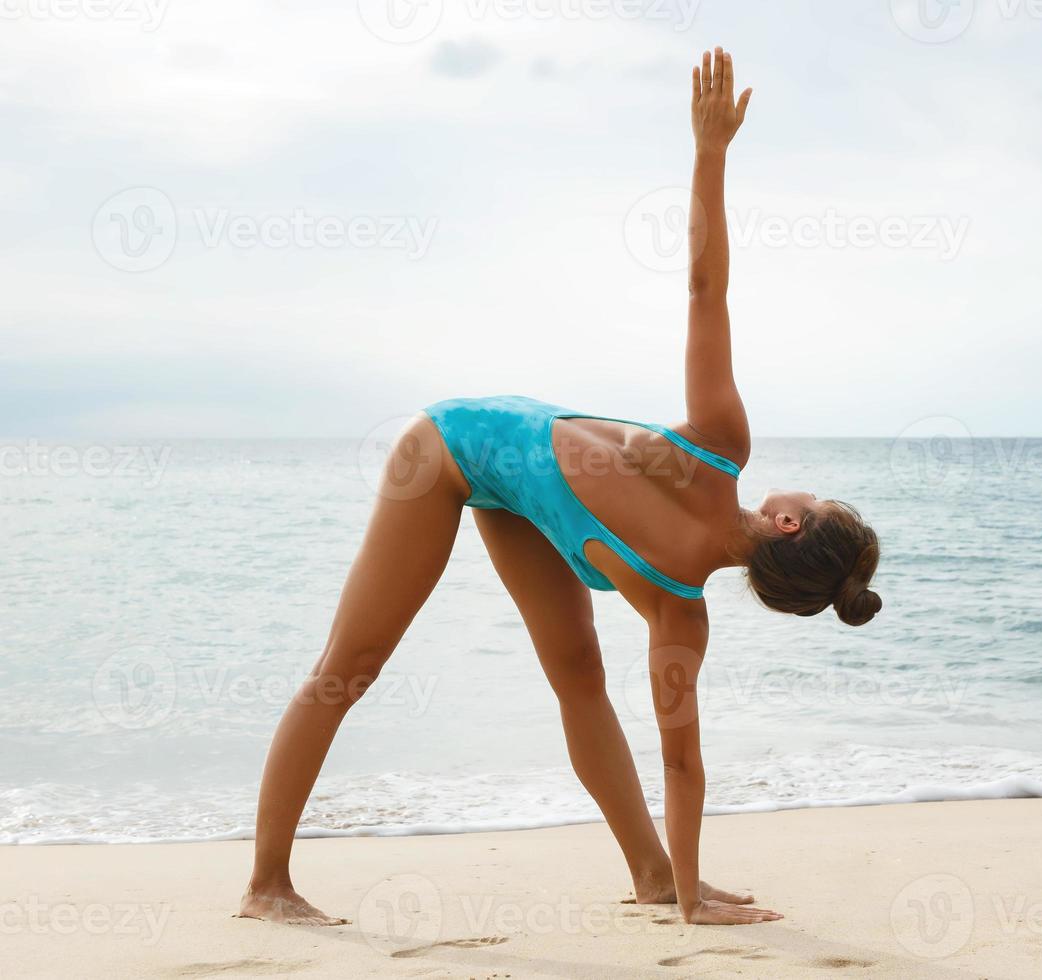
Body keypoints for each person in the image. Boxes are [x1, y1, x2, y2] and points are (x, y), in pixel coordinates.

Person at [239, 47, 881, 929]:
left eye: (816, 502)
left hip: (522, 501)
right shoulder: (685, 584)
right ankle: (265, 883)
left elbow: (704, 289)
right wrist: (704, 905)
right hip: (449, 447)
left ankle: (656, 877)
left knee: (578, 673)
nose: (807, 492)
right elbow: (685, 764)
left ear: (782, 523)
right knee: (352, 666)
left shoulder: (688, 571)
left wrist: (709, 151)